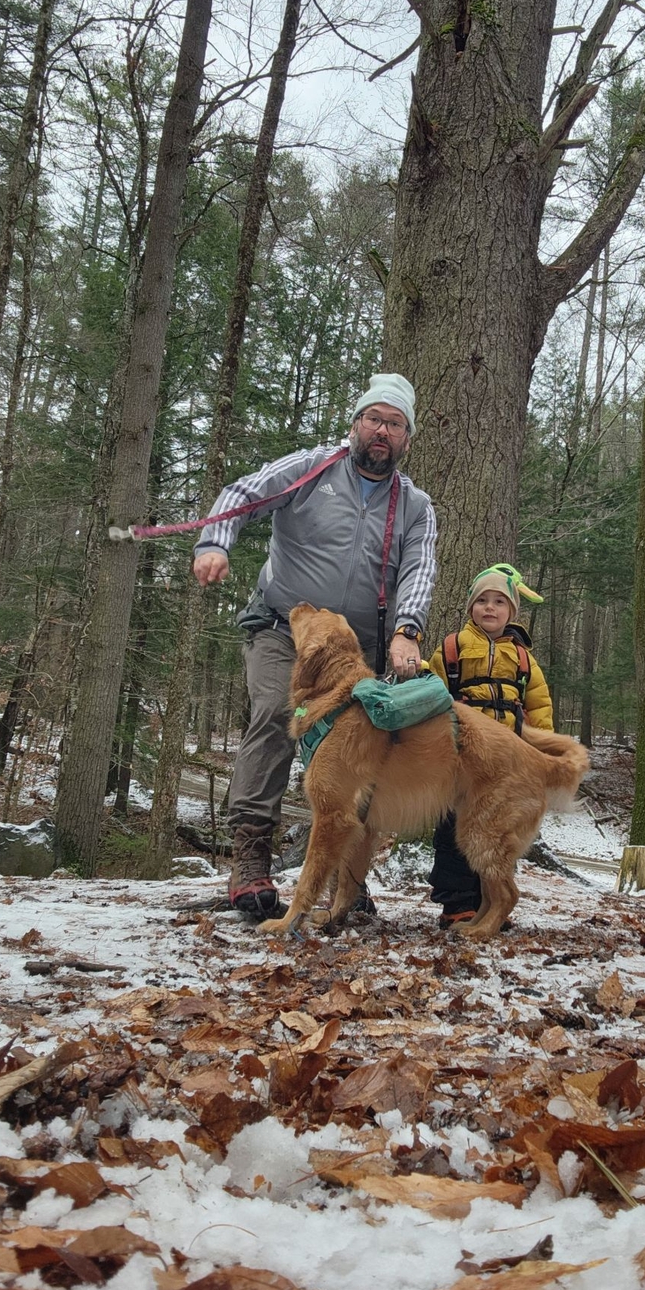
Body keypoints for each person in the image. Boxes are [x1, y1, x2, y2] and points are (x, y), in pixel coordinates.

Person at [193, 374, 437, 919]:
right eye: (374, 419)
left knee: (364, 748)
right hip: (285, 627)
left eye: (395, 424)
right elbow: (242, 494)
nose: (382, 431)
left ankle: (348, 876)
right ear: (355, 425)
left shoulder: (415, 506)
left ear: (406, 438)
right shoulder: (310, 469)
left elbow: (419, 569)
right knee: (276, 716)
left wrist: (407, 629)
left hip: (361, 646)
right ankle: (251, 859)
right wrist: (215, 543)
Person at [426, 564, 552, 927]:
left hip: (505, 768)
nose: (490, 608)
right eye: (482, 600)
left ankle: (492, 903)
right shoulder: (452, 649)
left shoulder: (525, 660)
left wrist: (542, 756)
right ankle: (457, 903)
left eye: (499, 601)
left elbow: (540, 709)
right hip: (459, 761)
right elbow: (431, 697)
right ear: (470, 608)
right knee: (452, 832)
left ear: (511, 610)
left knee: (496, 835)